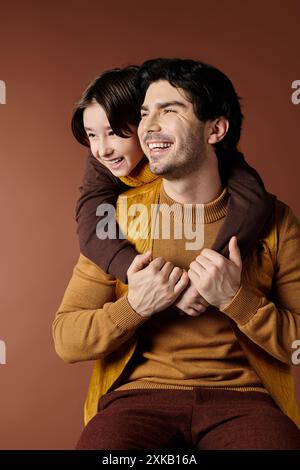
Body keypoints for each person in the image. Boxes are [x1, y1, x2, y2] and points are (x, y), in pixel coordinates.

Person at [53, 59, 300, 450]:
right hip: (135, 401)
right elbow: (67, 341)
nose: (149, 125)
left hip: (246, 402)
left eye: (169, 110)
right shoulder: (116, 219)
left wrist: (237, 301)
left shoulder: (274, 218)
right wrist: (135, 304)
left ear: (216, 129)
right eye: (145, 112)